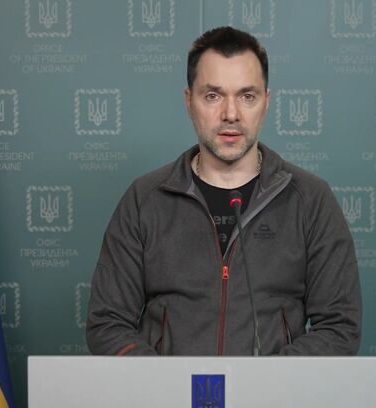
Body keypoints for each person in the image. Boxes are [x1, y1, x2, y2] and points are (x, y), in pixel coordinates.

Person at [86, 27, 361, 356]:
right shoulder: (144, 199)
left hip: (274, 391)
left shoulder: (311, 199)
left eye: (247, 96)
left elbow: (339, 328)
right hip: (168, 391)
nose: (231, 114)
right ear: (189, 101)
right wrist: (166, 379)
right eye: (213, 96)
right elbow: (107, 324)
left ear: (266, 102)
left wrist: (269, 379)